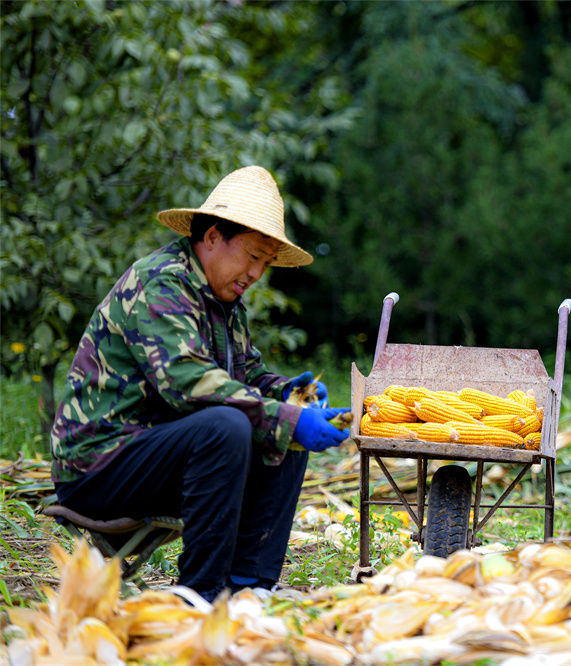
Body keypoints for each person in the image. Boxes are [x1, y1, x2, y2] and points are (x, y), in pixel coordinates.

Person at [49, 165, 350, 602]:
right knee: (229, 426)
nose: (256, 273)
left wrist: (288, 393)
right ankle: (199, 594)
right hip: (99, 465)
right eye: (251, 255)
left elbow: (245, 377)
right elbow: (188, 383)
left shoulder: (225, 301)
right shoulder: (162, 283)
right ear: (211, 237)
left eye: (265, 263)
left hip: (162, 457)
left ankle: (247, 588)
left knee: (284, 431)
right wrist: (282, 415)